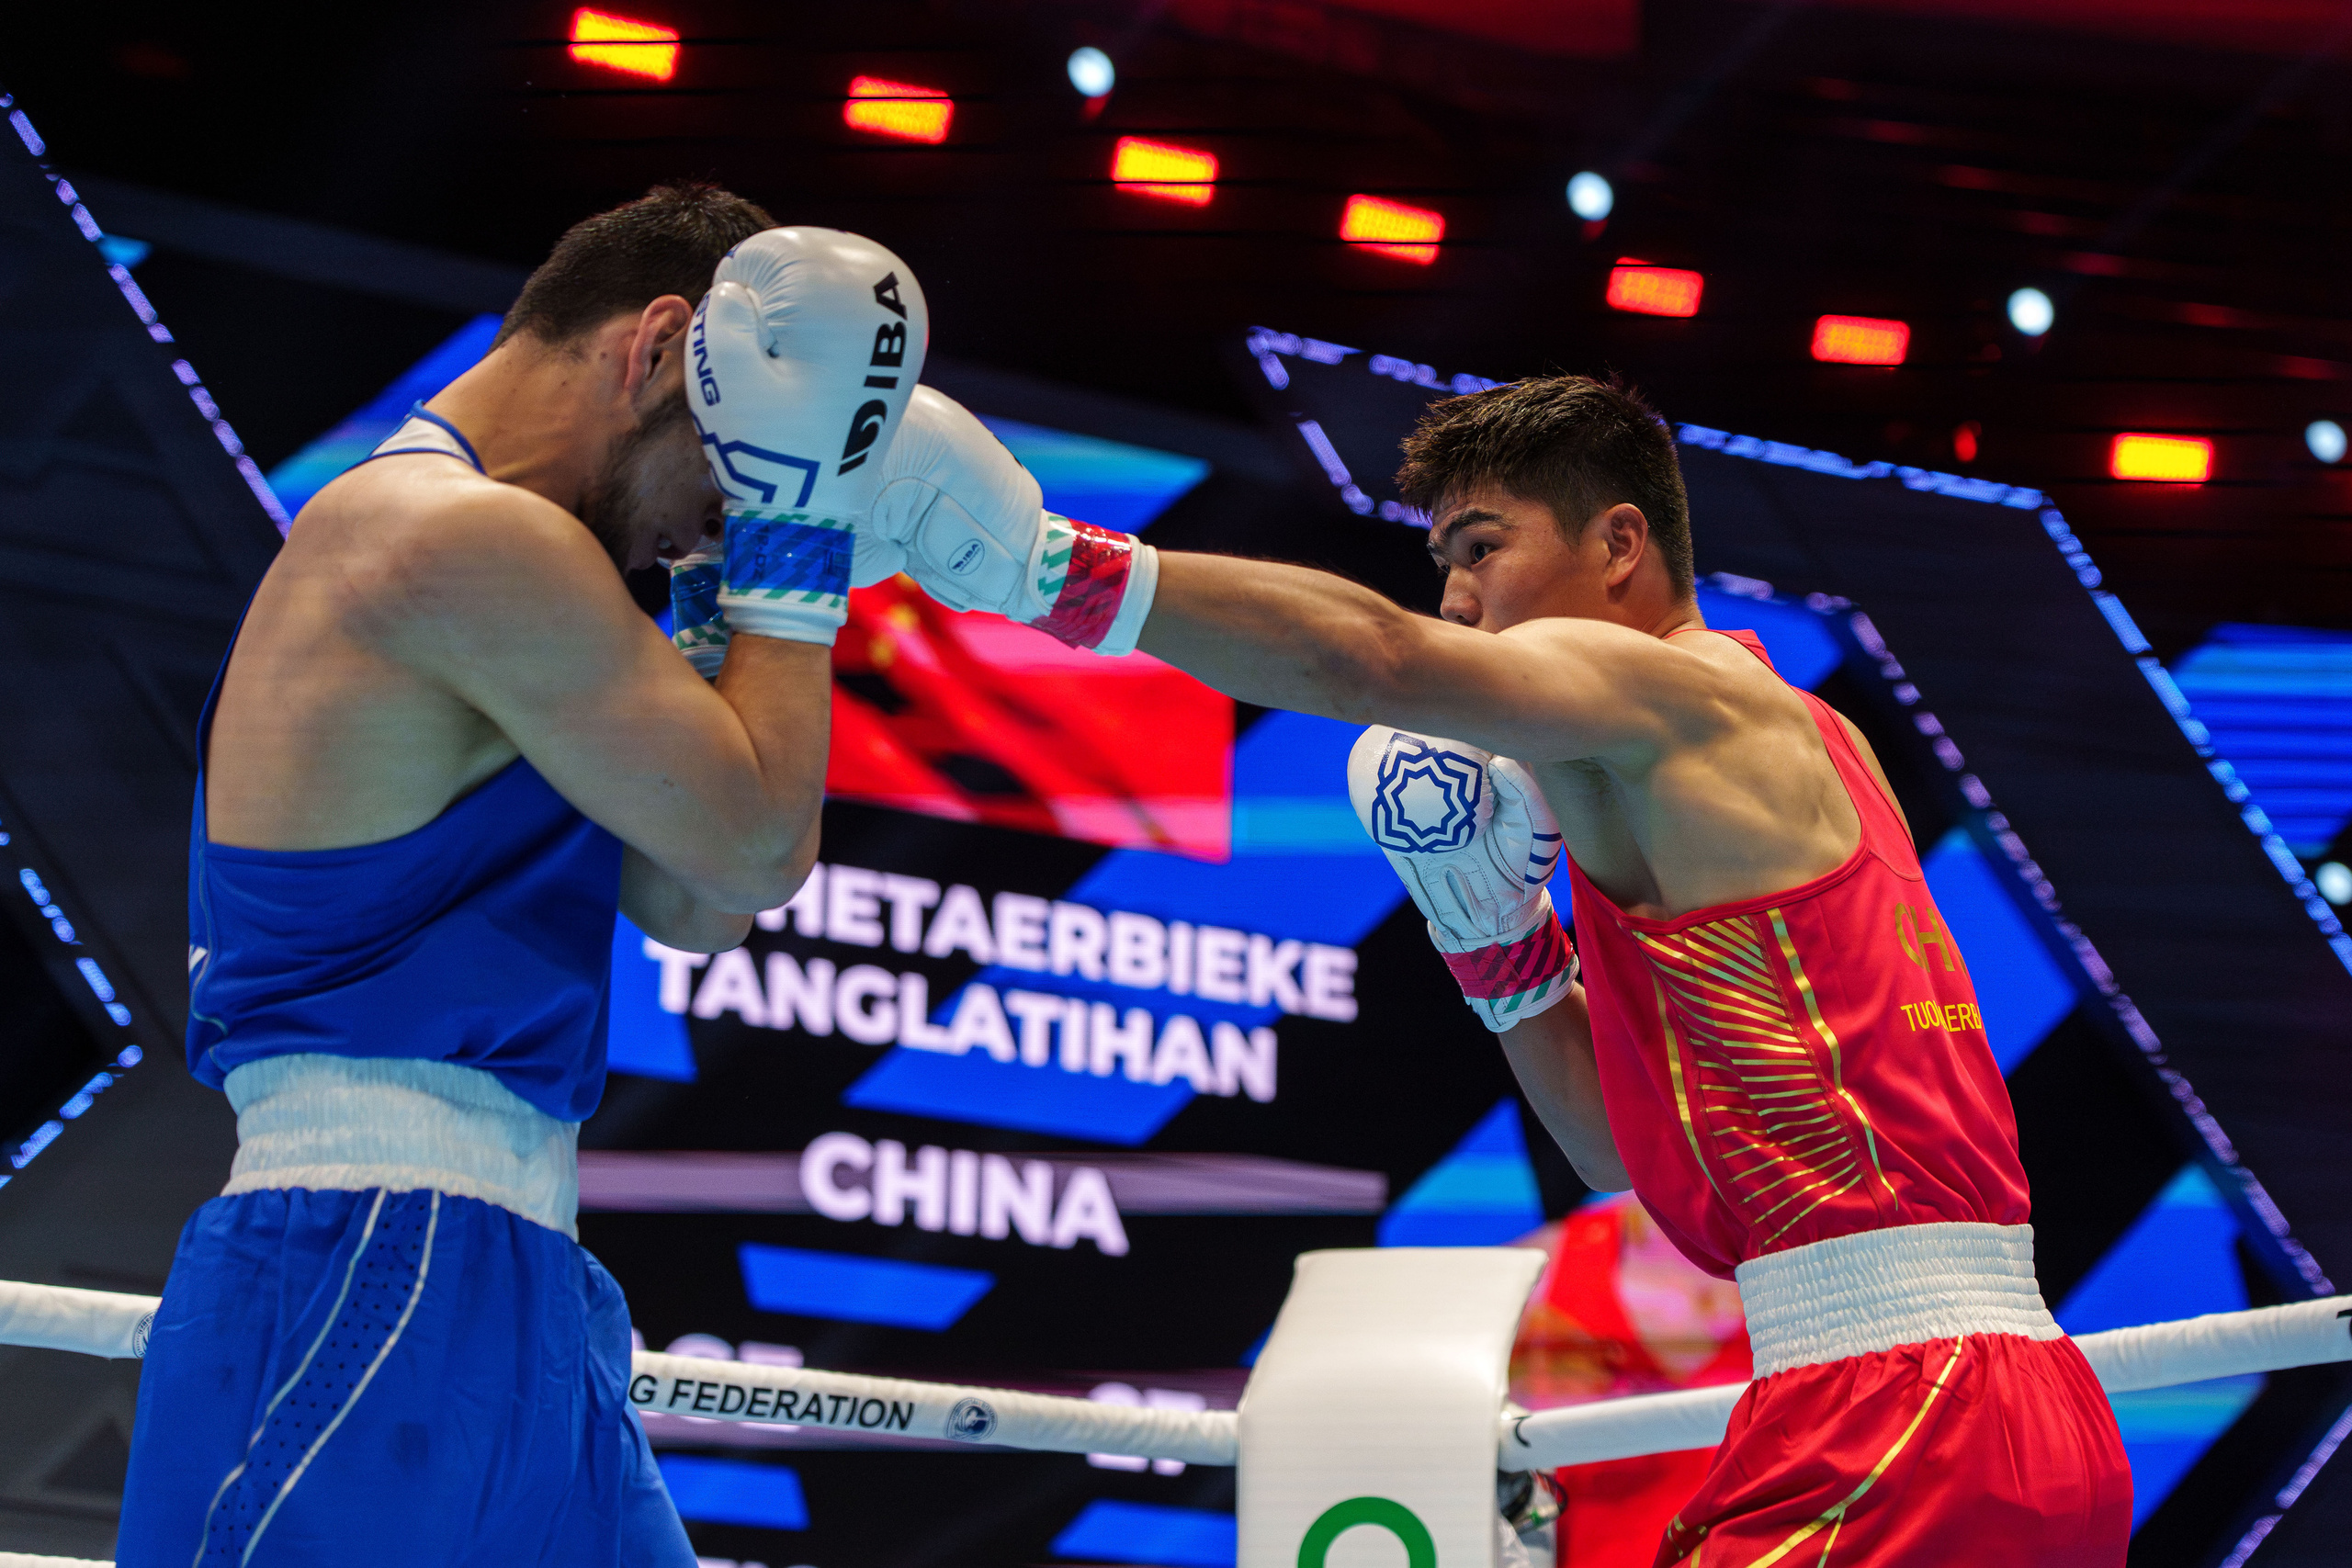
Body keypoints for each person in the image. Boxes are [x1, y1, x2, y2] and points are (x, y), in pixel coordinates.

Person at [831, 372, 2132, 1563]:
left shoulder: (1689, 698)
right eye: (1443, 563)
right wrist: (1488, 930)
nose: (1457, 600)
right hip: (1947, 1395)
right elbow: (1619, 1156)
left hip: (1908, 1408)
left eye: (1480, 552)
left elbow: (1372, 659)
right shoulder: (1725, 764)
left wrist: (1044, 568)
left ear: (1622, 545)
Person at [119, 188, 929, 1566]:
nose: (706, 530)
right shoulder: (454, 536)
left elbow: (699, 904)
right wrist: (798, 543)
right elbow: (755, 847)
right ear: (663, 349)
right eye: (729, 468)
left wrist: (718, 599)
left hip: (504, 1271)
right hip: (370, 1253)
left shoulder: (535, 579)